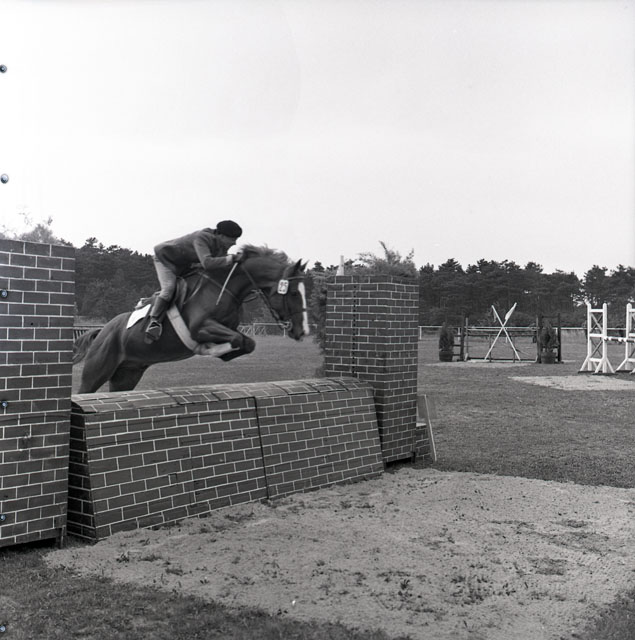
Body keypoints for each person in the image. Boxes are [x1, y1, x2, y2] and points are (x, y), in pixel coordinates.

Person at [145, 220, 243, 342]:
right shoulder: (202, 238)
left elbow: (220, 265)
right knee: (169, 288)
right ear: (221, 236)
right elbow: (208, 263)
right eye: (232, 239)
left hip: (184, 263)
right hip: (165, 259)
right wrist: (232, 258)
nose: (234, 243)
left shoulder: (220, 246)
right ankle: (154, 322)